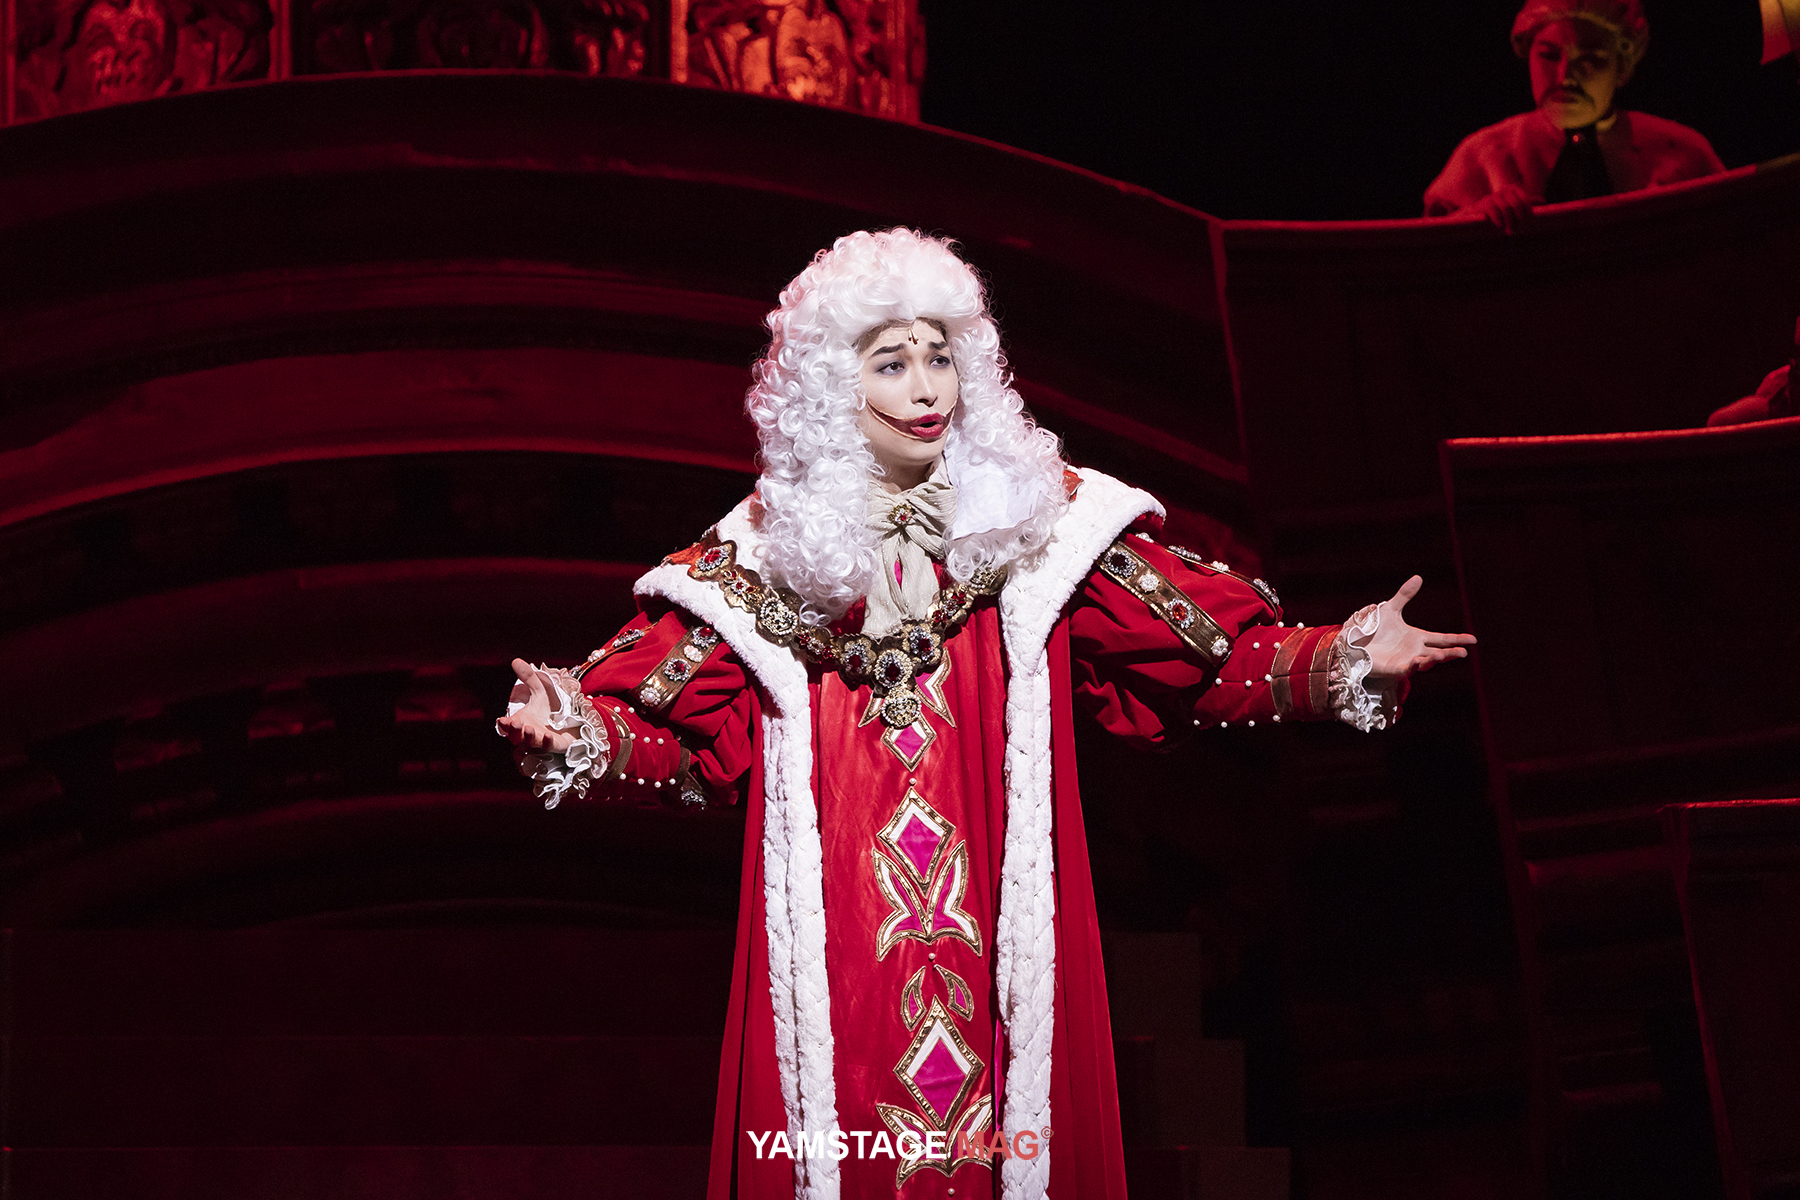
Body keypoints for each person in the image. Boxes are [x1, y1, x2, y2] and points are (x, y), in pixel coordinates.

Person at [496, 228, 1475, 1200]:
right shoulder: (760, 562)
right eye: (892, 364)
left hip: (1005, 961)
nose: (928, 388)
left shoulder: (1042, 529)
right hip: (837, 979)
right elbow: (676, 736)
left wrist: (1343, 655)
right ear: (832, 386)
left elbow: (1206, 660)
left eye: (940, 357)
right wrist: (573, 728)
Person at [1425, 0, 1724, 232]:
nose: (1565, 77)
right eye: (1549, 55)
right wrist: (1472, 222)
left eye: (1590, 59)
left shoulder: (1682, 153)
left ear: (1622, 67)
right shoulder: (1481, 156)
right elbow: (1427, 255)